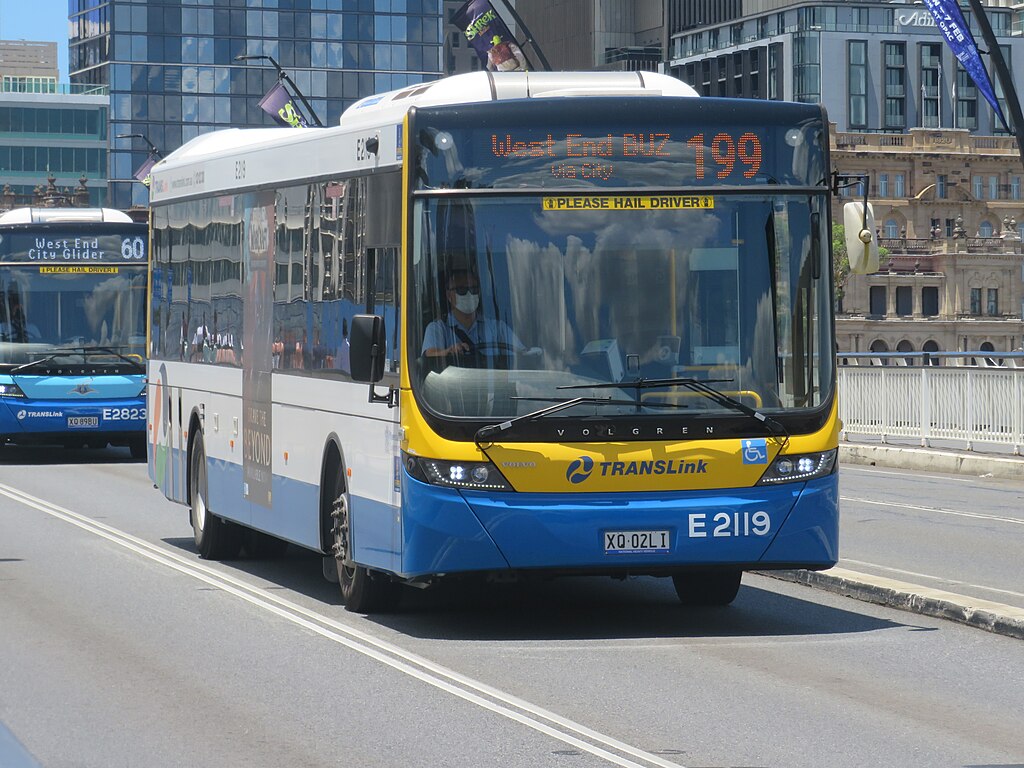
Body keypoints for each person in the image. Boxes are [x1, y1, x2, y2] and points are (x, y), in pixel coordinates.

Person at [421, 270, 526, 362]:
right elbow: (430, 355)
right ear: (449, 295)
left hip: (494, 382)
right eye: (461, 290)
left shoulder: (498, 328)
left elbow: (523, 355)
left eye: (473, 289)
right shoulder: (438, 328)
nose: (469, 294)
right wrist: (448, 352)